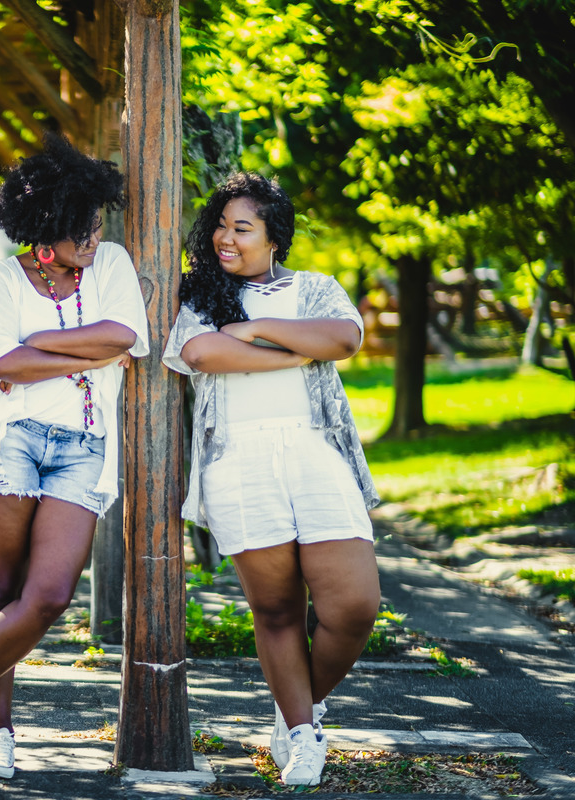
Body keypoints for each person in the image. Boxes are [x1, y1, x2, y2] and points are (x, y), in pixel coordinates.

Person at [0, 133, 149, 778]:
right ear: (44, 230)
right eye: (80, 231)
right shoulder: (3, 280)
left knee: (48, 596)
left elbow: (126, 335)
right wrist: (78, 349)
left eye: (96, 224)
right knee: (0, 588)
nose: (93, 239)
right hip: (8, 439)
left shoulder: (112, 265)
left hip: (83, 446)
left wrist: (39, 344)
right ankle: (0, 735)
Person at [161, 172, 380, 787]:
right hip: (240, 461)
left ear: (274, 237)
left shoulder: (314, 288)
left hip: (317, 454)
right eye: (220, 227)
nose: (225, 239)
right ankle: (305, 732)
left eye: (241, 228)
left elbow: (344, 336)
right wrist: (295, 351)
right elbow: (201, 355)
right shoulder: (199, 294)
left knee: (355, 607)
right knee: (278, 610)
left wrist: (256, 330)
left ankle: (295, 709)